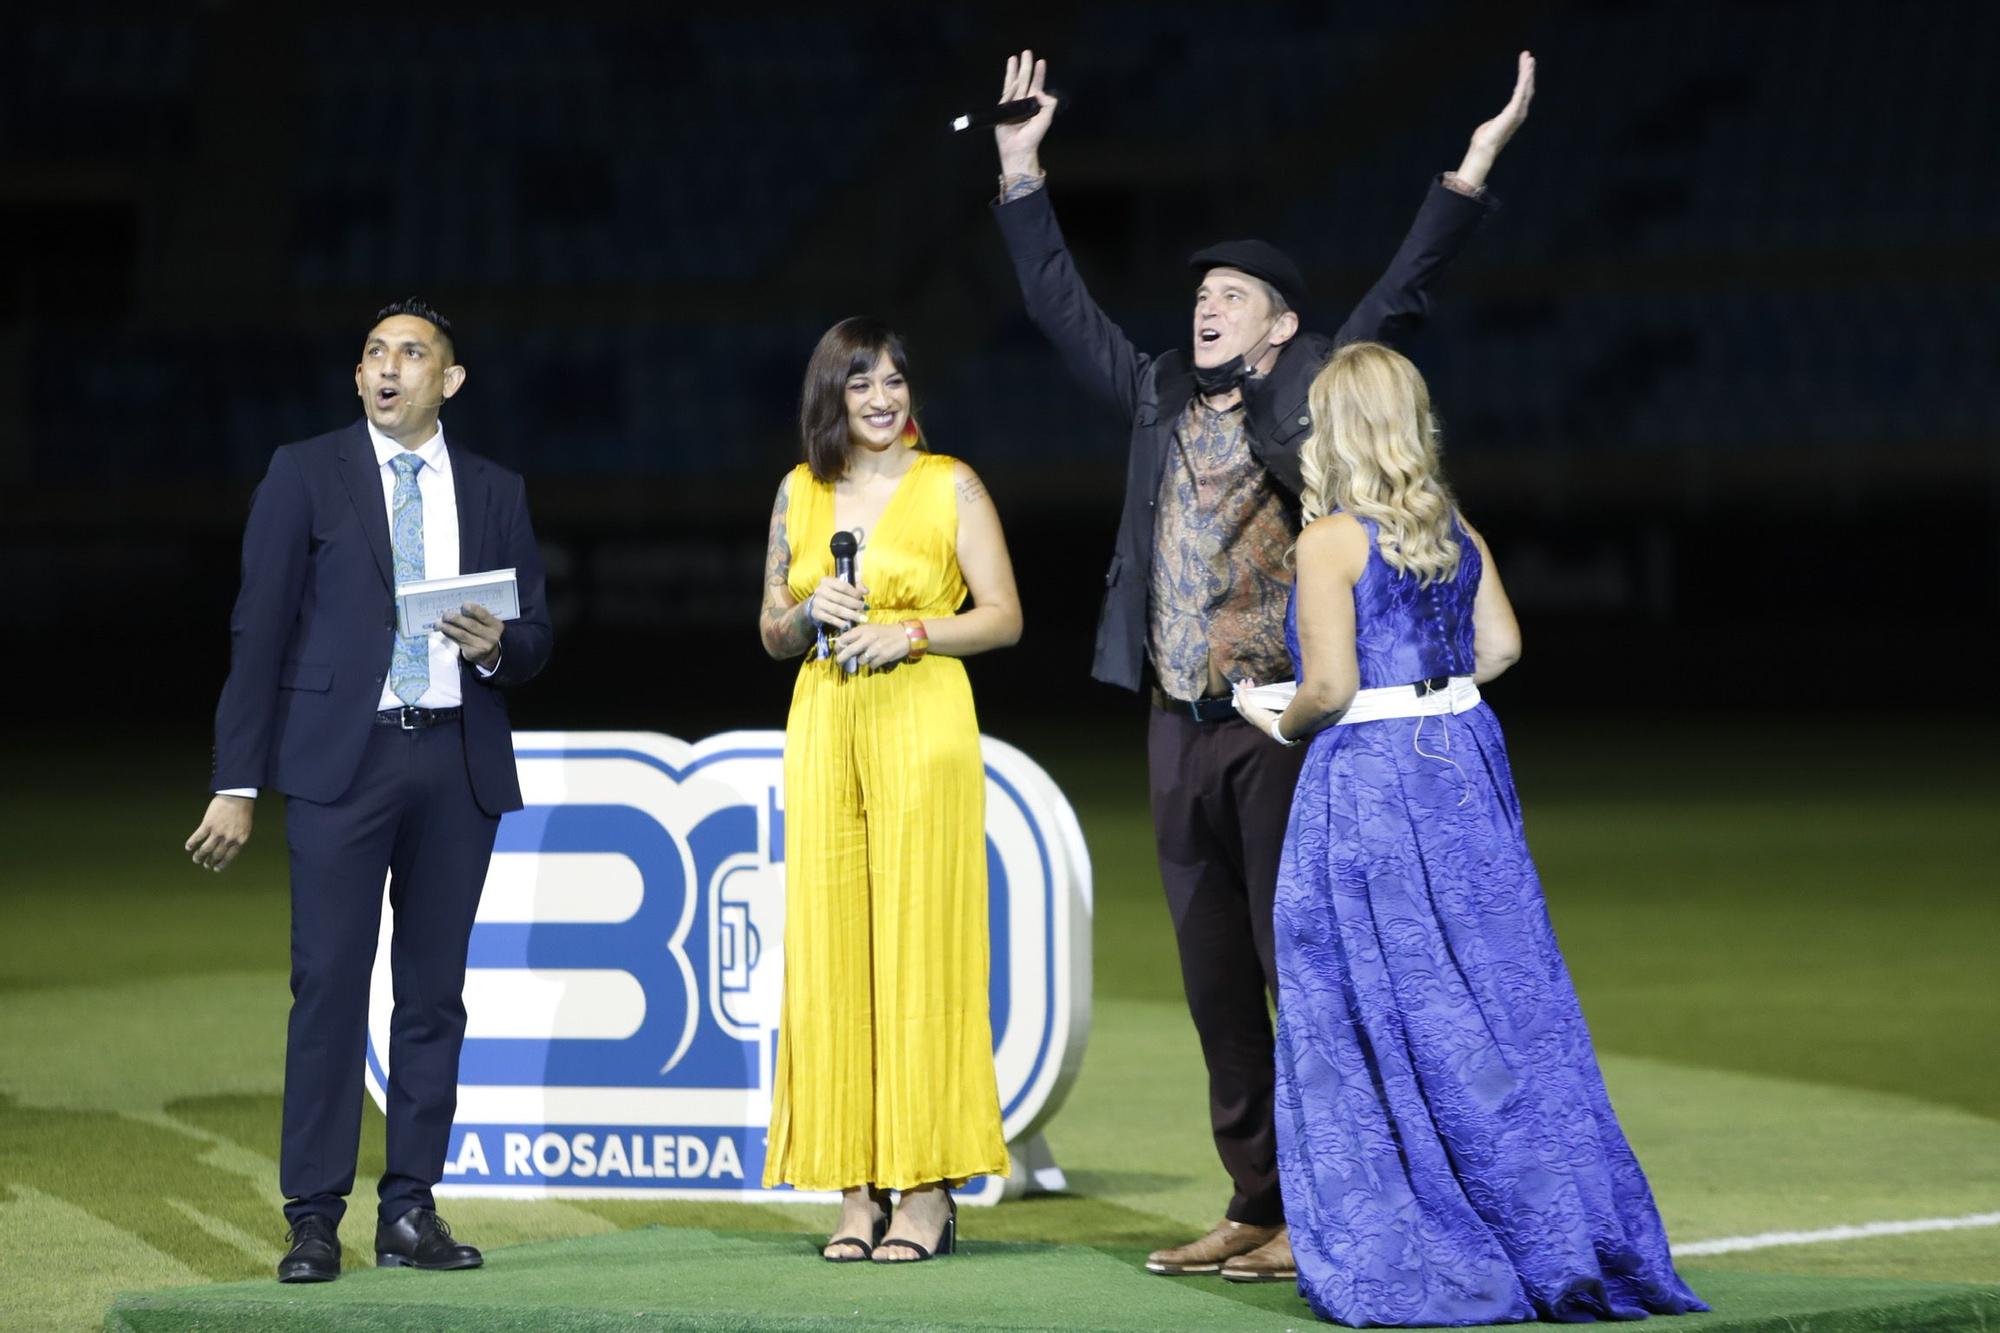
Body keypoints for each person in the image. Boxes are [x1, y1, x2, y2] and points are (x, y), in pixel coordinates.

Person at [989, 49, 1535, 1281]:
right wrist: (1022, 174)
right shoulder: (1154, 395)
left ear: (1282, 324)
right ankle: (1254, 1198)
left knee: (1304, 967)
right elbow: (1060, 308)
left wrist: (1469, 170)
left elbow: (1404, 291)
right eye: (1203, 291)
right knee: (1212, 980)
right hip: (1176, 723)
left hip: (1281, 725)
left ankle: (1323, 1204)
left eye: (1233, 293)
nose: (1208, 304)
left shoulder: (1311, 387)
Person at [1230, 341, 1707, 1324]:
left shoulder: (1326, 540)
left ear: (1336, 427)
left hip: (1370, 785)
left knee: (1380, 1008)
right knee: (1504, 997)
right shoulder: (1450, 525)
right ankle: (1557, 1226)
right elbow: (1500, 646)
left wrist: (1275, 717)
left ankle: (1435, 1235)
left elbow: (1325, 687)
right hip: (1461, 771)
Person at [185, 299, 553, 1283]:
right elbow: (256, 633)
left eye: (412, 354)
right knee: (330, 992)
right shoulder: (304, 472)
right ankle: (313, 1217)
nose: (389, 368)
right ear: (357, 377)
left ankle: (408, 1211)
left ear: (451, 379)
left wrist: (498, 647)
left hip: (453, 763)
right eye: (374, 354)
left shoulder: (494, 488)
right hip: (340, 770)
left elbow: (535, 640)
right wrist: (236, 779)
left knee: (432, 1000)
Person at [758, 317, 1023, 1263]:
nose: (881, 398)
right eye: (860, 382)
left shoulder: (950, 484)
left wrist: (910, 632)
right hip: (826, 723)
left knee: (922, 947)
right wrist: (804, 615)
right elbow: (769, 630)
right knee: (833, 953)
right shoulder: (799, 491)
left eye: (894, 380)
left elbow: (1003, 617)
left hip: (922, 720)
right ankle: (855, 1188)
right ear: (829, 395)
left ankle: (927, 1187)